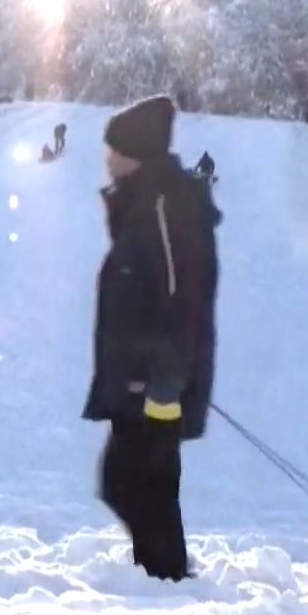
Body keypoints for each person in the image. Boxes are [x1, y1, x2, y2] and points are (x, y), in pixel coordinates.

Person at [85, 95, 221, 583]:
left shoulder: (165, 206)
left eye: (114, 151)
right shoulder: (147, 202)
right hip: (140, 374)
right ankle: (161, 575)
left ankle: (166, 579)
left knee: (139, 482)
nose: (107, 159)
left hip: (157, 380)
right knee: (131, 481)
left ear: (135, 154)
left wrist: (169, 371)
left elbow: (184, 292)